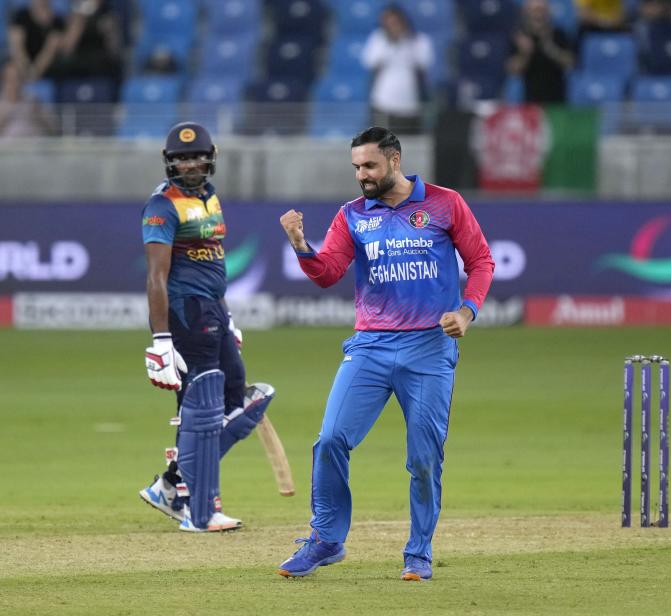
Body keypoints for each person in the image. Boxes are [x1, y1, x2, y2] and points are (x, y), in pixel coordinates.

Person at [276, 126, 495, 580]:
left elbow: (481, 262)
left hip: (429, 349)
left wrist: (468, 311)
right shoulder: (353, 214)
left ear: (395, 160)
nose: (362, 175)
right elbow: (328, 273)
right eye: (356, 167)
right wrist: (301, 245)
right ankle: (326, 539)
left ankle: (418, 551)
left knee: (423, 457)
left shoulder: (444, 202)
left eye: (369, 165)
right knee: (332, 439)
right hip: (370, 345)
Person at [139, 121, 275, 533]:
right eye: (181, 159)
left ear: (211, 158)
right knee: (202, 408)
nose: (189, 164)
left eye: (196, 156)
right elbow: (157, 277)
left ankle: (172, 483)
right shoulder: (162, 205)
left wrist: (227, 315)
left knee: (237, 395)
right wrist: (161, 339)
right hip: (185, 312)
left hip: (212, 309)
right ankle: (200, 508)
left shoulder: (210, 198)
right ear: (169, 163)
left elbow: (211, 264)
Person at [361, 4, 434, 134]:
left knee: (410, 145)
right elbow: (369, 62)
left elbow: (425, 62)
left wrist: (406, 41)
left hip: (410, 103)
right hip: (383, 102)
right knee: (382, 145)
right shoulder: (378, 39)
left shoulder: (417, 40)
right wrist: (391, 42)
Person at [506, 0, 576, 104]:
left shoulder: (559, 34)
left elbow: (570, 63)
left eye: (541, 10)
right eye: (534, 10)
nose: (538, 15)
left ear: (548, 13)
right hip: (530, 102)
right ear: (527, 13)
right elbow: (512, 70)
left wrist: (552, 49)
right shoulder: (521, 36)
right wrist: (525, 53)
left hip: (557, 101)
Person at [6, 0, 65, 81]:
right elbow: (17, 47)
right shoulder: (21, 16)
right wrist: (24, 69)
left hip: (45, 69)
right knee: (11, 71)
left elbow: (50, 51)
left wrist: (35, 72)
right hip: (22, 66)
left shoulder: (57, 21)